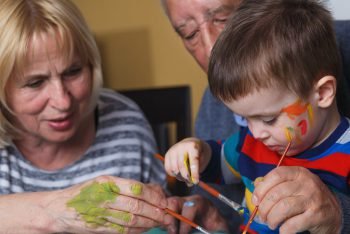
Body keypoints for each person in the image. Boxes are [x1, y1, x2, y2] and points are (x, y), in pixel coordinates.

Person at [0, 0, 231, 233]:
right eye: (35, 82)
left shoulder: (125, 120)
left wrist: (173, 215)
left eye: (73, 72)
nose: (63, 101)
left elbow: (161, 220)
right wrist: (54, 213)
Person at [164, 0, 350, 233]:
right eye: (189, 33)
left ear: (322, 93)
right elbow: (216, 163)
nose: (255, 132)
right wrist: (195, 151)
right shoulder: (254, 142)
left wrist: (341, 216)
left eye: (269, 118)